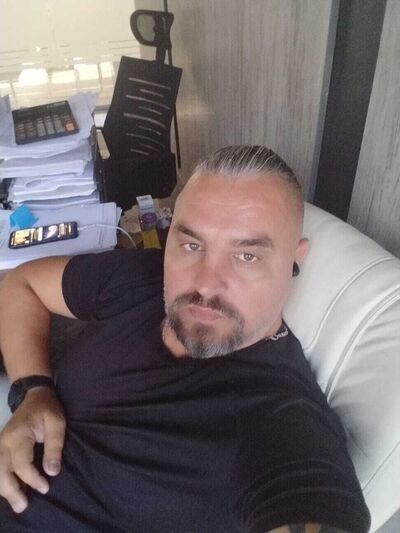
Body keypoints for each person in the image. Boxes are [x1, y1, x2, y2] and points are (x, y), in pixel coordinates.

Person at [0, 146, 370, 533]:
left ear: (296, 259)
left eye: (247, 256)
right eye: (192, 245)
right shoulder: (138, 278)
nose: (205, 284)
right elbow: (21, 285)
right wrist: (33, 391)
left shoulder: (283, 421)